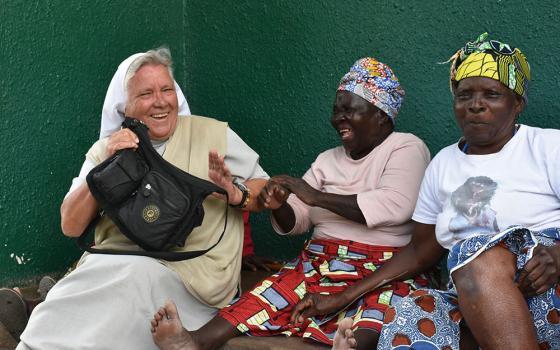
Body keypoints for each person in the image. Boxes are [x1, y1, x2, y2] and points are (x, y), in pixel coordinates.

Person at [150, 57, 433, 350]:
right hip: (320, 262)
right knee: (270, 292)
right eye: (336, 110)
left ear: (381, 114)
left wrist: (316, 196)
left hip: (382, 266)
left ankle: (346, 345)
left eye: (350, 110)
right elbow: (297, 219)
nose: (339, 118)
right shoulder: (327, 160)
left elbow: (395, 205)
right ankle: (193, 341)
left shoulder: (406, 147)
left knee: (380, 307)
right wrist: (279, 205)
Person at [16, 47, 268, 350]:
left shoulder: (211, 134)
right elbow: (70, 225)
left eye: (167, 90)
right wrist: (108, 166)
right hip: (110, 267)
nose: (160, 101)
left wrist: (237, 194)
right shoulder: (106, 150)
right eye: (146, 94)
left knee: (131, 280)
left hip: (194, 275)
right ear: (125, 107)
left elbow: (265, 189)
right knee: (71, 291)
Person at [335, 33, 560, 350]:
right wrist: (343, 296)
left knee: (475, 254)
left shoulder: (548, 148)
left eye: (491, 94)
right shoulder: (443, 164)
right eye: (464, 95)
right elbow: (421, 251)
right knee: (411, 313)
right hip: (477, 302)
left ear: (518, 103)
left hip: (546, 289)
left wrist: (557, 256)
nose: (476, 105)